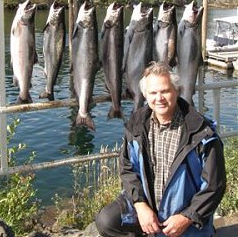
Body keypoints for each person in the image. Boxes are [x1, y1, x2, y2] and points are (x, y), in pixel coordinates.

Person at [95, 61, 226, 237]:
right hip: (148, 207)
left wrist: (187, 217)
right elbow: (127, 169)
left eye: (165, 91)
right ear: (145, 95)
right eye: (153, 93)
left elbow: (214, 185)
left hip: (183, 215)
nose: (159, 98)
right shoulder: (136, 125)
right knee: (107, 221)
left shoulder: (202, 132)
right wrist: (140, 205)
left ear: (176, 91)